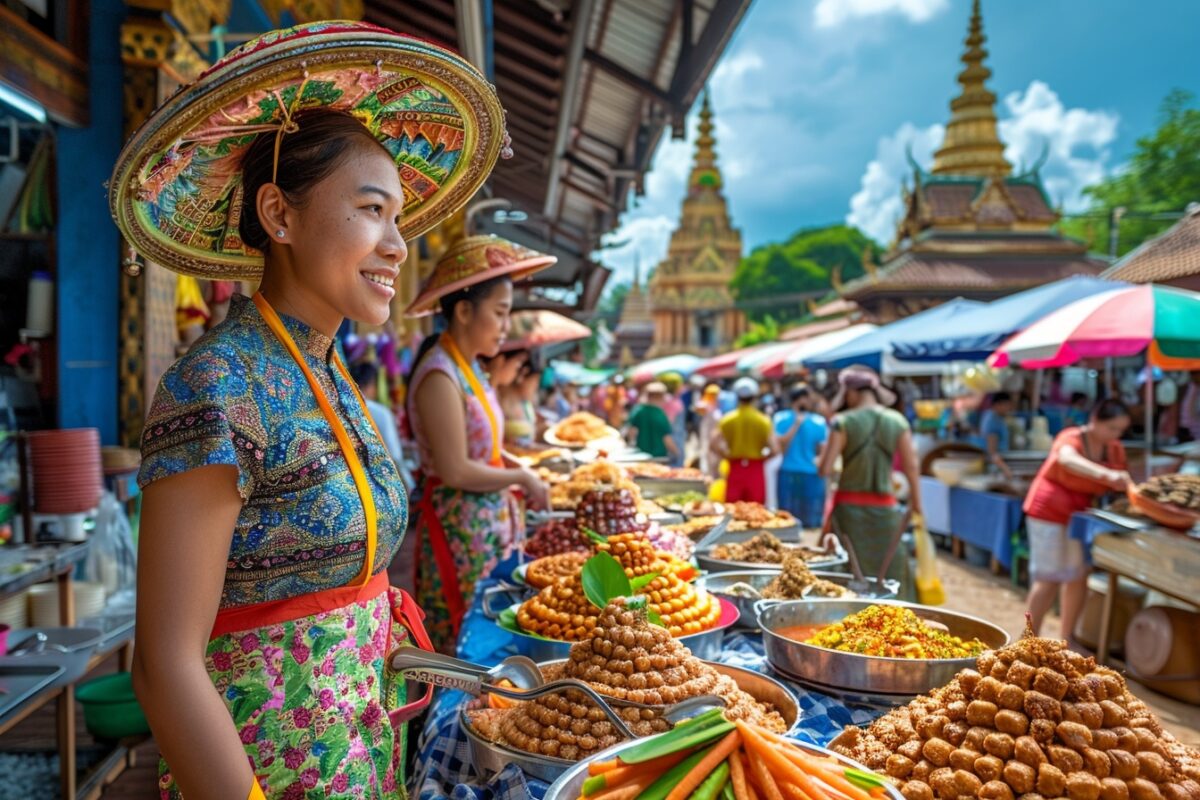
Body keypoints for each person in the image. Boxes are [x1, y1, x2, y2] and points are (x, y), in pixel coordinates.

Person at [116, 22, 511, 799]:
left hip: (362, 753)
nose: (398, 243)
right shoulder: (219, 385)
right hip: (263, 770)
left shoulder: (334, 376)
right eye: (371, 210)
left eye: (398, 217)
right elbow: (163, 666)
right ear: (279, 214)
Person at [405, 236, 554, 652]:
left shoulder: (467, 369)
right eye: (500, 313)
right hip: (460, 530)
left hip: (484, 526)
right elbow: (455, 468)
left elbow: (485, 449)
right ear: (466, 310)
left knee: (488, 628)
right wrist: (521, 475)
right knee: (464, 636)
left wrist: (518, 469)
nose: (506, 328)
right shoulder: (440, 375)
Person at [1023, 399, 1132, 641]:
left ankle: (1067, 639)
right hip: (1048, 512)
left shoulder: (1114, 448)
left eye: (1120, 430)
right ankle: (1028, 640)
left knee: (1077, 576)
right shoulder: (1070, 436)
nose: (1115, 434)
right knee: (1047, 579)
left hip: (1080, 518)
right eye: (1111, 428)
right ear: (1095, 420)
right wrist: (1105, 474)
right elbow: (1066, 459)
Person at [819, 366, 922, 598]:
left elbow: (824, 469)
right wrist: (917, 504)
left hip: (849, 512)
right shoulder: (897, 421)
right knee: (893, 573)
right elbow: (911, 466)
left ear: (851, 393)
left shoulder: (842, 422)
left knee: (849, 579)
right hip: (886, 512)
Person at [712, 377, 776, 504]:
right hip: (755, 467)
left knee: (733, 509)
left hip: (735, 466)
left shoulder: (727, 419)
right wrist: (763, 458)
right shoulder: (763, 420)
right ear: (755, 396)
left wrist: (726, 456)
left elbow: (713, 444)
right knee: (755, 510)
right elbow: (775, 449)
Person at [774, 384, 828, 527]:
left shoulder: (780, 418)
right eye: (809, 398)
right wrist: (796, 424)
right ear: (802, 399)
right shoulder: (783, 418)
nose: (811, 402)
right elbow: (780, 445)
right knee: (796, 519)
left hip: (799, 472)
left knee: (791, 519)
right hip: (798, 471)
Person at [350, 360, 412, 483]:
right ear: (372, 384)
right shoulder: (381, 413)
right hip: (382, 477)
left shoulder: (345, 407)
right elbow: (395, 455)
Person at [499, 354, 544, 449]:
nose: (535, 387)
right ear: (523, 377)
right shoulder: (500, 399)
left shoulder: (526, 403)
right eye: (534, 382)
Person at [625, 382, 679, 460]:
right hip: (659, 456)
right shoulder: (660, 414)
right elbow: (666, 438)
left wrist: (631, 445)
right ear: (661, 396)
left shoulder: (638, 410)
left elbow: (631, 432)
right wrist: (676, 452)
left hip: (641, 454)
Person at [980, 391, 1016, 480]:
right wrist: (1005, 469)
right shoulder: (992, 421)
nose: (1009, 408)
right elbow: (992, 452)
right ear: (998, 404)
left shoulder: (995, 417)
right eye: (1007, 405)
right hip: (995, 468)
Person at [696, 383, 723, 477]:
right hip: (707, 437)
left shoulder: (718, 405)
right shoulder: (704, 403)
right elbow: (699, 408)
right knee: (708, 460)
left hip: (716, 437)